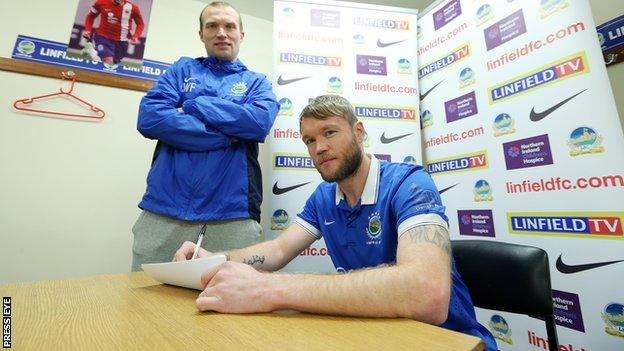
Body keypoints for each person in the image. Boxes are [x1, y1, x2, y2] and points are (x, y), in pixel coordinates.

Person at [173, 95, 497, 350]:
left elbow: (427, 294)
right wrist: (215, 259)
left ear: (358, 132)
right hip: (376, 336)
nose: (319, 148)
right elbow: (277, 250)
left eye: (329, 133)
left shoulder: (409, 183)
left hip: (447, 339)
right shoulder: (324, 196)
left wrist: (269, 288)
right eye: (309, 140)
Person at [132, 1, 279, 271]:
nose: (221, 32)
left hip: (233, 216)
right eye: (212, 26)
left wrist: (193, 104)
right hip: (163, 211)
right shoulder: (181, 70)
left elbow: (258, 123)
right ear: (201, 34)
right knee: (145, 304)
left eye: (229, 26)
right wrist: (228, 134)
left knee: (232, 306)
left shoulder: (257, 82)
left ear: (241, 35)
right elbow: (150, 117)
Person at [82, 0, 145, 67]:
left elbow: (140, 24)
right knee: (108, 62)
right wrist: (88, 30)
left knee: (113, 66)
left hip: (121, 42)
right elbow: (90, 16)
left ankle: (90, 51)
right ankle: (92, 52)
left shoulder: (133, 8)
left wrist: (135, 36)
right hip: (103, 37)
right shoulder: (101, 3)